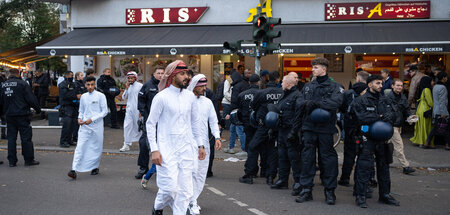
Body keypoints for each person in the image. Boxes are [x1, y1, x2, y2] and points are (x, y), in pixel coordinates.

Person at [146, 60, 206, 215]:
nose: (186, 77)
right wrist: (154, 150)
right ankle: (157, 207)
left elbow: (195, 123)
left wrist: (200, 145)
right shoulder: (161, 97)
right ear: (172, 76)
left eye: (187, 73)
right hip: (166, 149)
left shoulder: (190, 97)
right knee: (170, 187)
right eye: (182, 74)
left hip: (187, 148)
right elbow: (150, 124)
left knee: (185, 190)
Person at [294, 57, 343, 205]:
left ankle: (329, 191)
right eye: (313, 67)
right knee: (307, 159)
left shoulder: (335, 86)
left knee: (327, 159)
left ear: (324, 69)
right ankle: (306, 190)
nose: (312, 70)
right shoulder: (308, 86)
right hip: (309, 127)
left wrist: (314, 103)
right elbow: (300, 102)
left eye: (315, 67)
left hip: (326, 128)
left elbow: (336, 102)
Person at [351, 75, 399, 208]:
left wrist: (381, 118)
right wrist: (379, 117)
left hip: (383, 139)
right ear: (370, 84)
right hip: (367, 138)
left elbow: (392, 115)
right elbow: (361, 118)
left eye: (381, 83)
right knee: (364, 168)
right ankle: (360, 196)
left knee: (384, 168)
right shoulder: (361, 100)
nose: (380, 86)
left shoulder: (385, 100)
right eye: (377, 83)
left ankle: (385, 195)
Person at [239, 72, 283, 185]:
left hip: (263, 125)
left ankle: (249, 174)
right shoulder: (282, 93)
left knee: (253, 147)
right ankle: (270, 176)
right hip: (277, 126)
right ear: (277, 80)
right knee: (272, 150)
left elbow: (253, 106)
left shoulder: (262, 93)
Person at [187, 74, 222, 215]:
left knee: (201, 173)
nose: (204, 88)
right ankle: (187, 200)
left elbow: (213, 121)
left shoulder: (207, 102)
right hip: (188, 143)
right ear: (195, 86)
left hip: (205, 143)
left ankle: (193, 199)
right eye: (201, 86)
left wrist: (218, 137)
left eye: (205, 86)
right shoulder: (186, 101)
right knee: (190, 173)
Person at [68, 76, 108, 179]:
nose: (90, 87)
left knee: (96, 147)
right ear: (85, 85)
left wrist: (92, 119)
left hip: (97, 126)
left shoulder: (101, 96)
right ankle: (73, 169)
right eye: (88, 85)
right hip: (84, 126)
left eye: (92, 85)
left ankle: (95, 167)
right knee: (80, 146)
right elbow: (81, 110)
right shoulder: (84, 96)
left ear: (95, 85)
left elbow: (104, 112)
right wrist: (79, 118)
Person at [1, 68, 41, 167]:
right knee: (26, 138)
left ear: (9, 74)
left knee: (11, 138)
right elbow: (31, 99)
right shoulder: (23, 84)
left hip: (9, 115)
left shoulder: (3, 85)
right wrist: (38, 109)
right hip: (22, 114)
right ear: (18, 74)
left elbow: (1, 101)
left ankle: (12, 161)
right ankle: (28, 160)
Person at [272, 75, 302, 196]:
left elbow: (298, 116)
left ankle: (298, 182)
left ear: (289, 84)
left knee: (294, 158)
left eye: (283, 82)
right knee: (282, 156)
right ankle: (283, 180)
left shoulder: (297, 96)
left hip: (291, 131)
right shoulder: (285, 95)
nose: (281, 84)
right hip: (282, 130)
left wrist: (294, 132)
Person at [338, 70, 369, 186]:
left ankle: (345, 178)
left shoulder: (348, 93)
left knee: (349, 154)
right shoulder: (370, 93)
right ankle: (365, 181)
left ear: (358, 79)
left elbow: (342, 108)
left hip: (350, 127)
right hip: (365, 128)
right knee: (365, 154)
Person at [137, 66, 164, 182]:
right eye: (158, 73)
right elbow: (141, 101)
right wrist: (145, 114)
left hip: (163, 122)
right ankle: (143, 168)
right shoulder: (147, 85)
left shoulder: (167, 86)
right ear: (153, 74)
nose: (161, 75)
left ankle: (161, 169)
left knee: (162, 144)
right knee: (144, 144)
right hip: (150, 121)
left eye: (162, 73)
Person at [386, 79, 416, 174]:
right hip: (391, 126)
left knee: (387, 145)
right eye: (397, 85)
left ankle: (383, 162)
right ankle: (405, 166)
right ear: (392, 86)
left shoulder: (402, 97)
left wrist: (410, 117)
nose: (399, 87)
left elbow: (406, 110)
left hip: (398, 125)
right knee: (399, 146)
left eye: (401, 86)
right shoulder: (387, 97)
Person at [119, 71, 143, 152]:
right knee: (127, 126)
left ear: (135, 78)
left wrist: (141, 110)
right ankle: (126, 144)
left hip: (137, 109)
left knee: (138, 127)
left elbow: (143, 98)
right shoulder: (128, 86)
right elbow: (123, 97)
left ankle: (142, 143)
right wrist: (126, 89)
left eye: (131, 78)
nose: (130, 79)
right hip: (129, 109)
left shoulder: (140, 86)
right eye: (128, 78)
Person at [226, 69, 248, 154]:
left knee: (238, 130)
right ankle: (231, 147)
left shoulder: (236, 87)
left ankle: (243, 149)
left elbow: (234, 100)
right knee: (234, 129)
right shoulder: (245, 84)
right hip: (243, 110)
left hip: (236, 111)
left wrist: (229, 111)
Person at [426, 71, 449, 149]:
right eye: (446, 77)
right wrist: (443, 112)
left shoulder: (435, 86)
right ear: (443, 78)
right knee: (444, 127)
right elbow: (442, 101)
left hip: (436, 110)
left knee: (437, 127)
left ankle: (428, 142)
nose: (447, 78)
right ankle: (447, 144)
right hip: (441, 110)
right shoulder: (443, 87)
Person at [410, 76, 434, 148]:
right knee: (426, 126)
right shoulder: (427, 89)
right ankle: (425, 142)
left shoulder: (421, 89)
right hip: (425, 109)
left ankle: (420, 142)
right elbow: (430, 102)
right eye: (432, 81)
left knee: (420, 126)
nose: (433, 82)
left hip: (420, 109)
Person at [59, 71, 81, 148]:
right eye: (71, 75)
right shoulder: (63, 84)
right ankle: (63, 141)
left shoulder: (73, 84)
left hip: (73, 106)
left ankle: (69, 140)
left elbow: (76, 91)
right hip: (66, 107)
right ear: (67, 76)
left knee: (72, 125)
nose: (72, 77)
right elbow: (66, 95)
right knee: (67, 125)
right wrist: (76, 96)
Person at [73, 72, 87, 143]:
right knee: (77, 121)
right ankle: (75, 136)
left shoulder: (83, 83)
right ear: (77, 76)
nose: (82, 76)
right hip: (78, 104)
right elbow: (78, 94)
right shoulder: (76, 84)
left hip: (83, 103)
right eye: (81, 75)